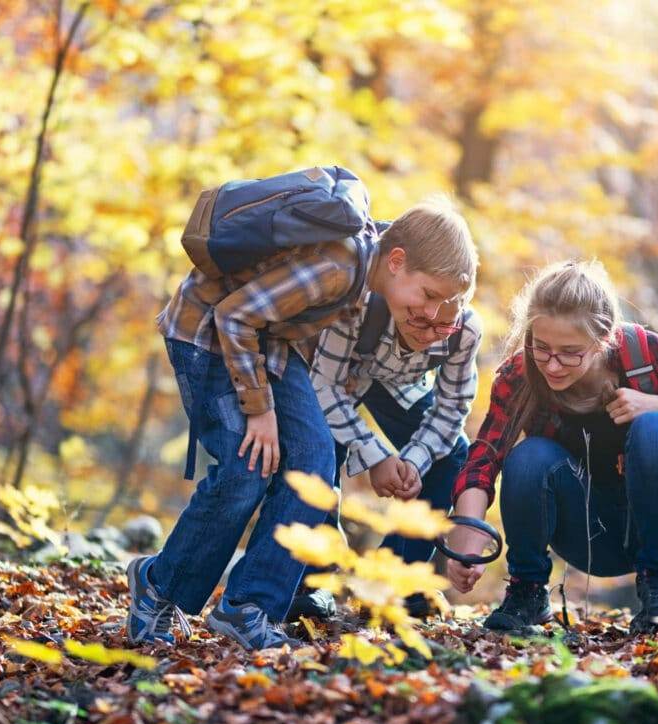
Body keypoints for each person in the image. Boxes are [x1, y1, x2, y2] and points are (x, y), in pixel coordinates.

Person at [126, 200, 478, 650]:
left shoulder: (368, 290)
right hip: (208, 336)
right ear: (396, 262)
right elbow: (232, 316)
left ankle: (249, 605)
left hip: (271, 349)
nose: (429, 314)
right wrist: (260, 410)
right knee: (247, 467)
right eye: (427, 295)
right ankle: (158, 585)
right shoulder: (339, 268)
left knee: (315, 464)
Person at [443, 259, 658, 633]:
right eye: (541, 347)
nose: (552, 365)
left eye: (570, 352)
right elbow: (485, 455)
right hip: (593, 534)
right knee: (528, 457)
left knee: (656, 427)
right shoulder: (520, 377)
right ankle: (528, 592)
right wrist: (468, 531)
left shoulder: (648, 354)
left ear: (603, 340)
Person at [292, 258, 482, 620]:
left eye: (442, 325)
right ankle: (313, 580)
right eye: (420, 319)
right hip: (334, 378)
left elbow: (452, 409)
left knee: (452, 453)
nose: (428, 333)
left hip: (396, 382)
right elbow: (324, 387)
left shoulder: (465, 330)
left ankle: (396, 583)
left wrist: (413, 460)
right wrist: (375, 456)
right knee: (321, 452)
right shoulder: (359, 306)